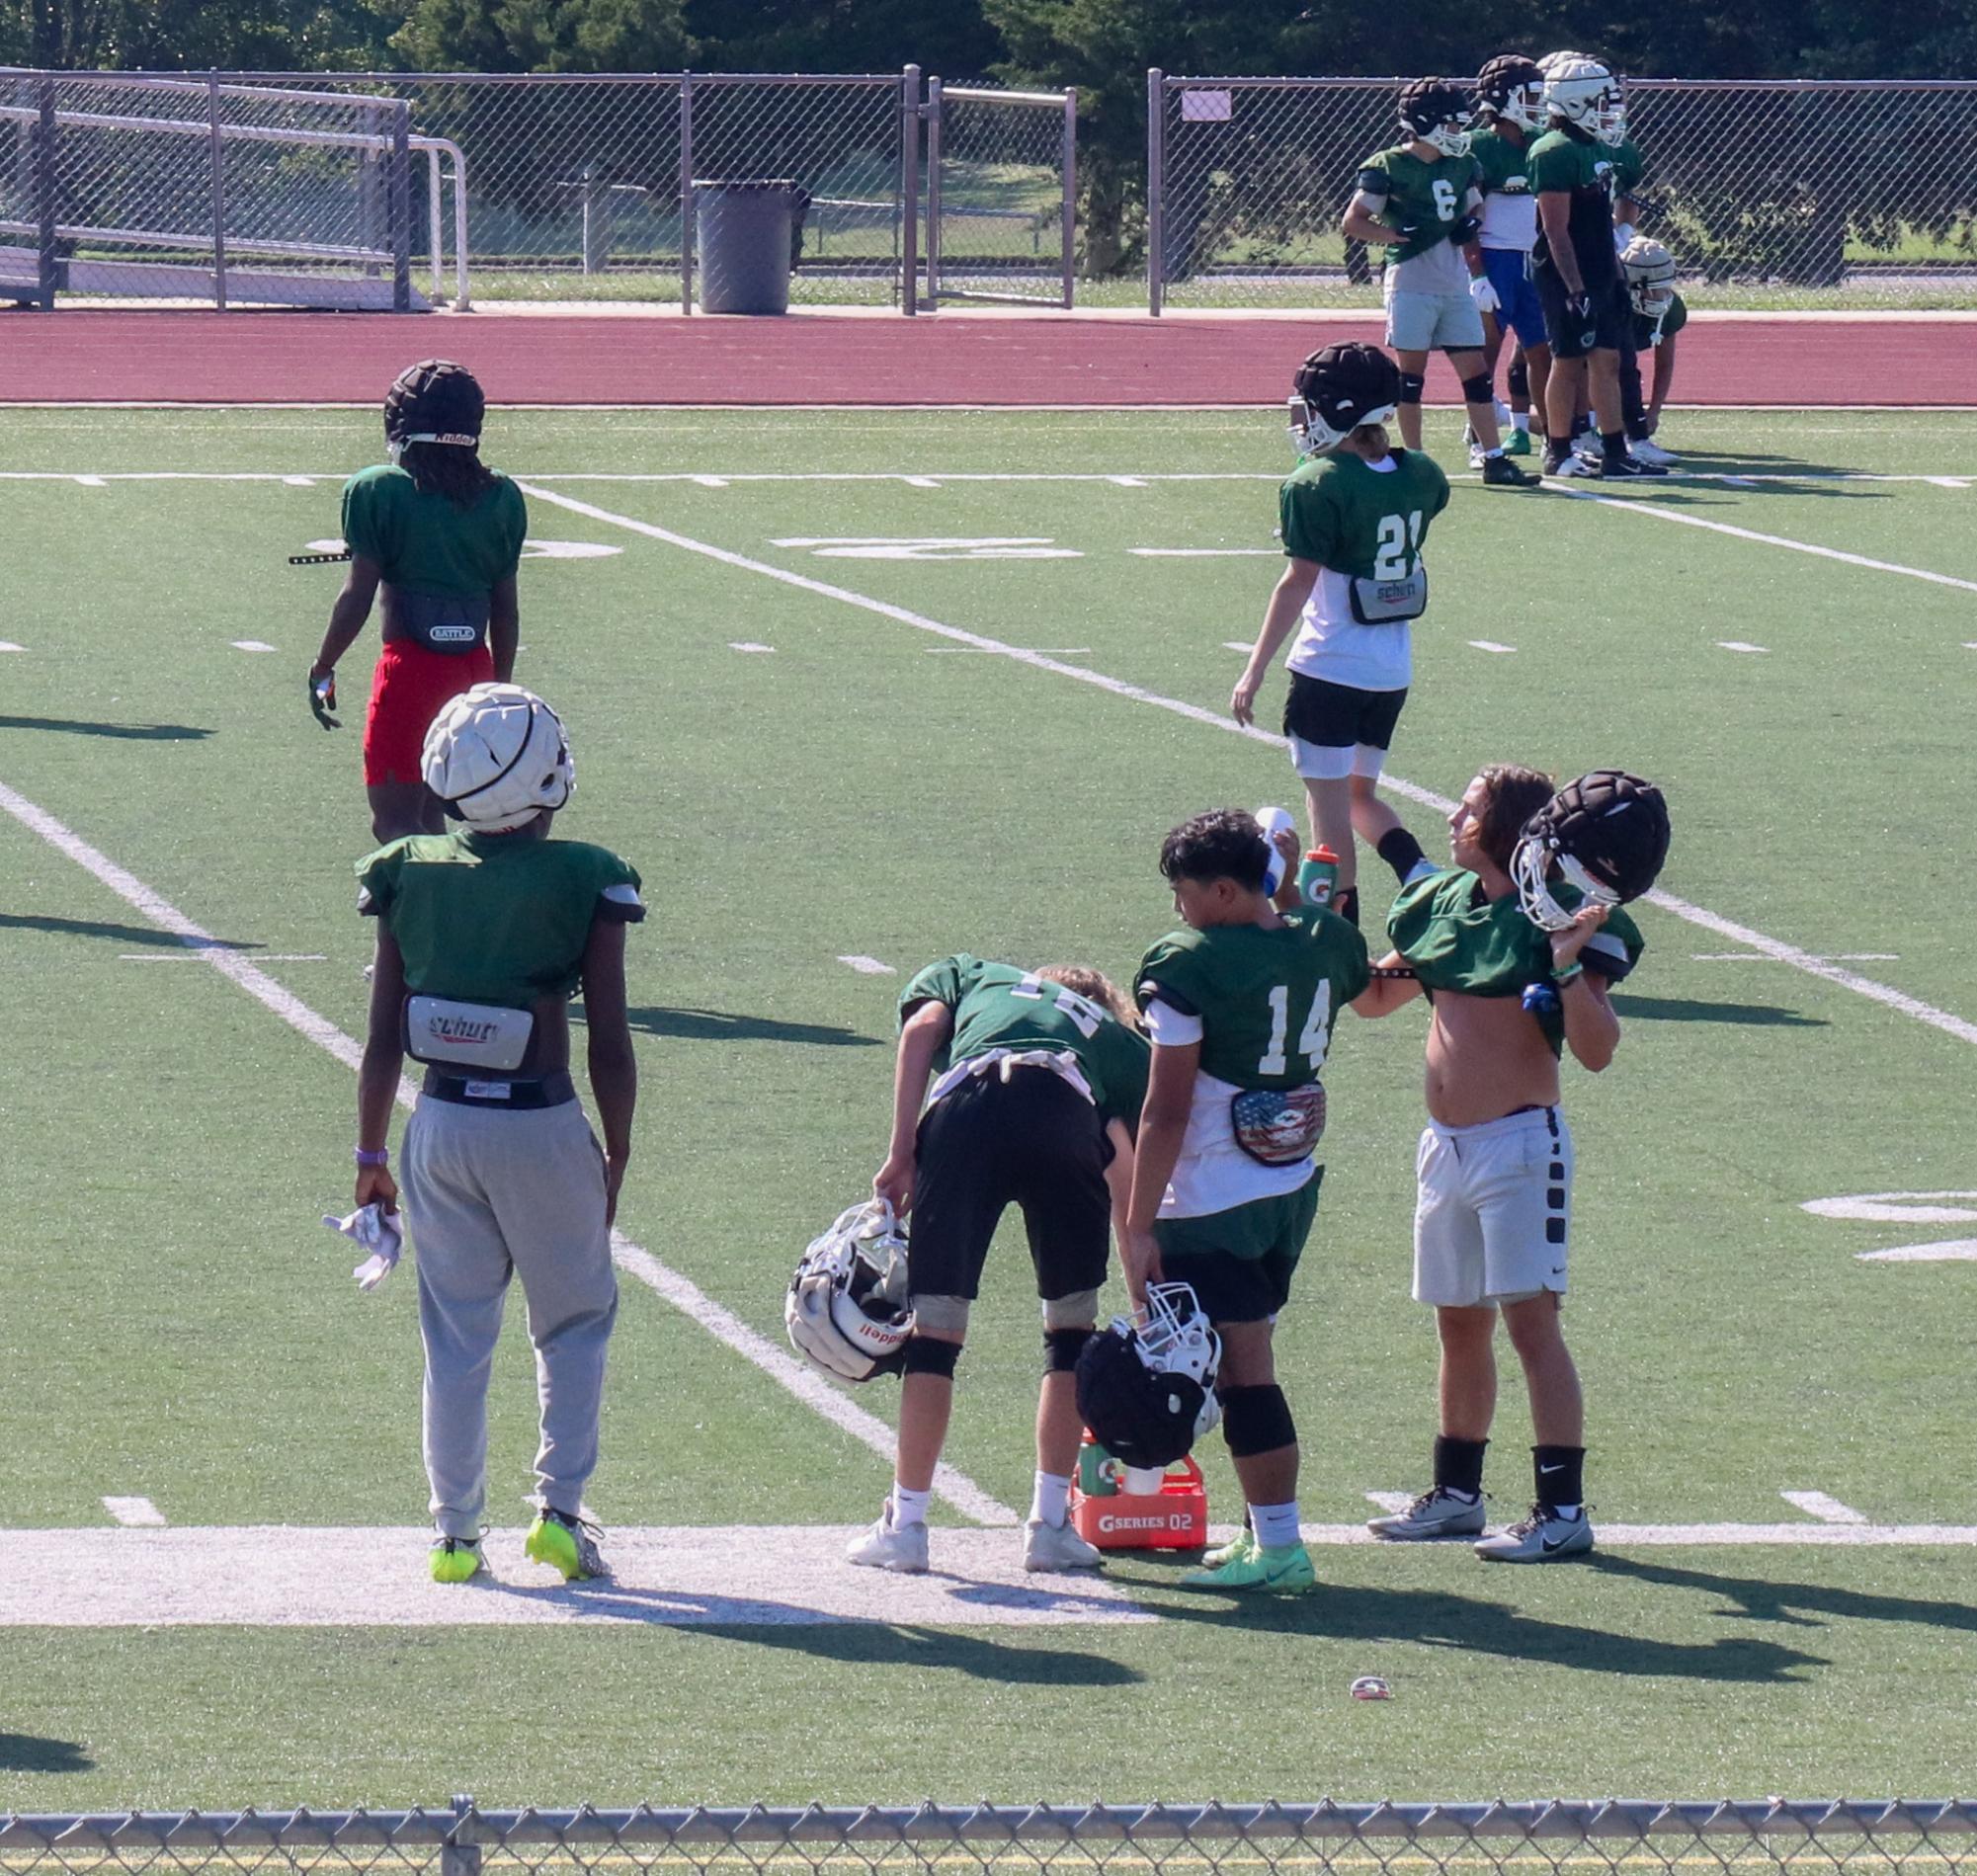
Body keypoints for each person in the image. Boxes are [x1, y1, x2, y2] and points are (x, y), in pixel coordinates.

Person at [351, 683, 643, 1585]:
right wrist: (617, 1148)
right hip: (539, 1120)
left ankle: (453, 1532)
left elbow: (379, 1034)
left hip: (437, 1124)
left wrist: (367, 1155)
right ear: (543, 780)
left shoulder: (404, 864)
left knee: (456, 1335)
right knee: (576, 1321)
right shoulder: (584, 872)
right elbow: (611, 1040)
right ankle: (557, 1514)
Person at [1353, 766, 1666, 1562]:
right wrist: (1311, 915)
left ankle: (1561, 1509)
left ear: (1507, 827)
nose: (1453, 815)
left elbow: (1596, 1051)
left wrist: (1563, 968)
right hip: (1444, 1143)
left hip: (1519, 1144)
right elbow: (1372, 997)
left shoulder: (1558, 919)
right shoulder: (1439, 907)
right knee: (1457, 1322)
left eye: (1469, 804)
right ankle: (1456, 1493)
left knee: (1531, 1325)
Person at [1122, 810, 1371, 1593]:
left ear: (1225, 888)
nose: (1178, 908)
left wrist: (1133, 1221)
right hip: (1287, 1187)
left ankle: (1281, 1545)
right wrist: (1291, 885)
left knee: (1246, 1371)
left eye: (1186, 892)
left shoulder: (1190, 961)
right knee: (1240, 1363)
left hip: (1209, 1192)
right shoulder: (1323, 935)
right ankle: (1262, 1530)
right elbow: (1311, 942)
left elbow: (1164, 1108)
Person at [850, 957, 1149, 1576]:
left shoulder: (972, 974)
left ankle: (905, 1525)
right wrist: (1146, 1302)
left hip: (971, 1107)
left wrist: (900, 1150)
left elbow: (917, 1033)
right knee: (1070, 1334)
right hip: (1067, 1115)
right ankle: (1050, 1525)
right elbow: (1128, 1188)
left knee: (934, 1335)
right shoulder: (1117, 1041)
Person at [1233, 344, 1447, 931]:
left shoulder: (1317, 483)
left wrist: (1252, 671)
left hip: (1329, 667)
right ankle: (1420, 873)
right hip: (1391, 671)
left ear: (1337, 410)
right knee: (1360, 794)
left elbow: (1297, 582)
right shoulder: (1421, 473)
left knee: (1328, 827)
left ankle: (1338, 942)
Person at [310, 360, 528, 843]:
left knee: (395, 823)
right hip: (475, 666)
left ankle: (415, 919)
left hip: (409, 670)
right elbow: (505, 609)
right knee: (435, 816)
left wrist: (323, 665)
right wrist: (498, 688)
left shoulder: (380, 490)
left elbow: (357, 597)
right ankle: (453, 911)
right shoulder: (502, 496)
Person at [1339, 79, 1538, 488]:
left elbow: (1476, 207)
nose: (1457, 134)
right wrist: (1392, 234)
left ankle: (1494, 457)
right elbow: (1353, 222)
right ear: (1425, 123)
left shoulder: (1462, 163)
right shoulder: (1389, 165)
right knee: (1411, 378)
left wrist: (1472, 222)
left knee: (1477, 375)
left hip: (1454, 281)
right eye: (1450, 125)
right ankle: (1415, 460)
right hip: (1411, 279)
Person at [1526, 58, 1667, 479]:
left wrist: (1612, 268)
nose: (1611, 112)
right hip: (1565, 272)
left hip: (1601, 267)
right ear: (1576, 103)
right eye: (1602, 103)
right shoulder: (1553, 151)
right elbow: (1555, 230)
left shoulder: (1598, 146)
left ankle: (1614, 451)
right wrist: (1575, 288)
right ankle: (1558, 450)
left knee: (1607, 360)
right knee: (1567, 361)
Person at [1468, 55, 1551, 461]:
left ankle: (1556, 436)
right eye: (1532, 95)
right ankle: (1478, 435)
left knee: (1542, 349)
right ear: (1507, 98)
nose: (1539, 104)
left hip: (1533, 258)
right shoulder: (1479, 147)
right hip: (1495, 257)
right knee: (1487, 349)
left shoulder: (1540, 144)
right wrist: (1476, 272)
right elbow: (1468, 216)